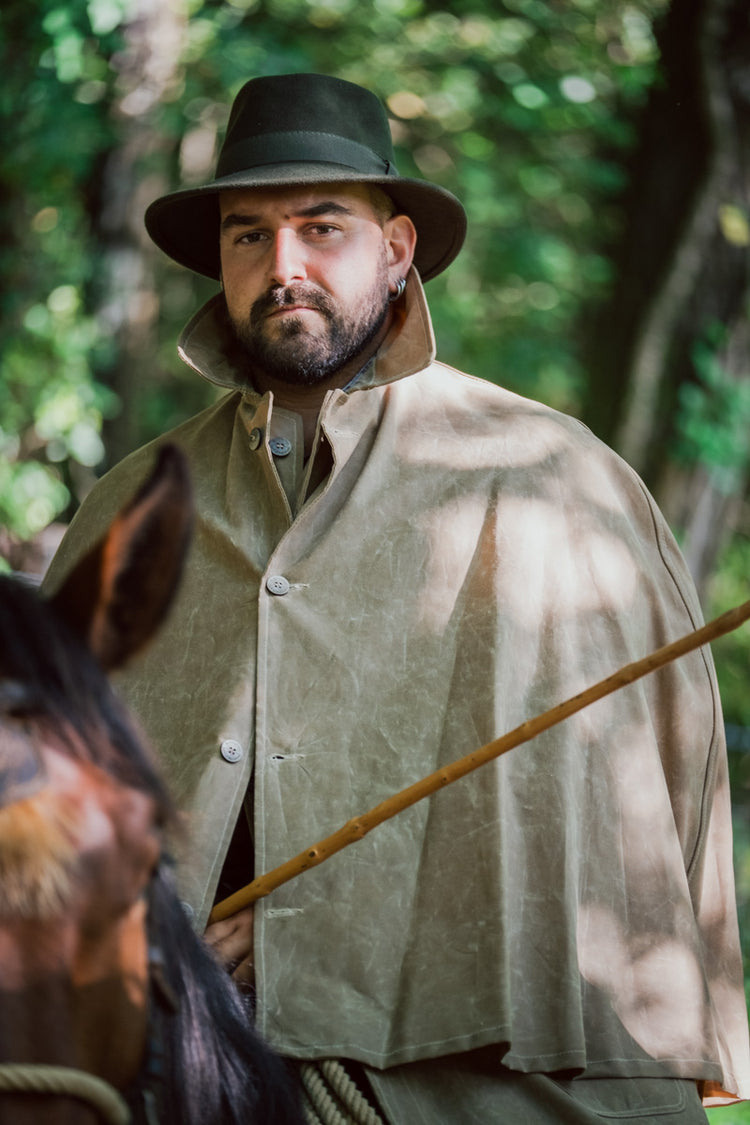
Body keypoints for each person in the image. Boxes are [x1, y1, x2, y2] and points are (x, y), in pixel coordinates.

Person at [44, 73, 750, 1122]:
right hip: (166, 1071)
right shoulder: (134, 508)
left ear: (397, 247)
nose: (282, 267)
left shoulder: (554, 480)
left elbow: (625, 832)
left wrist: (320, 938)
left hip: (487, 1090)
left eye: (321, 227)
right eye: (248, 235)